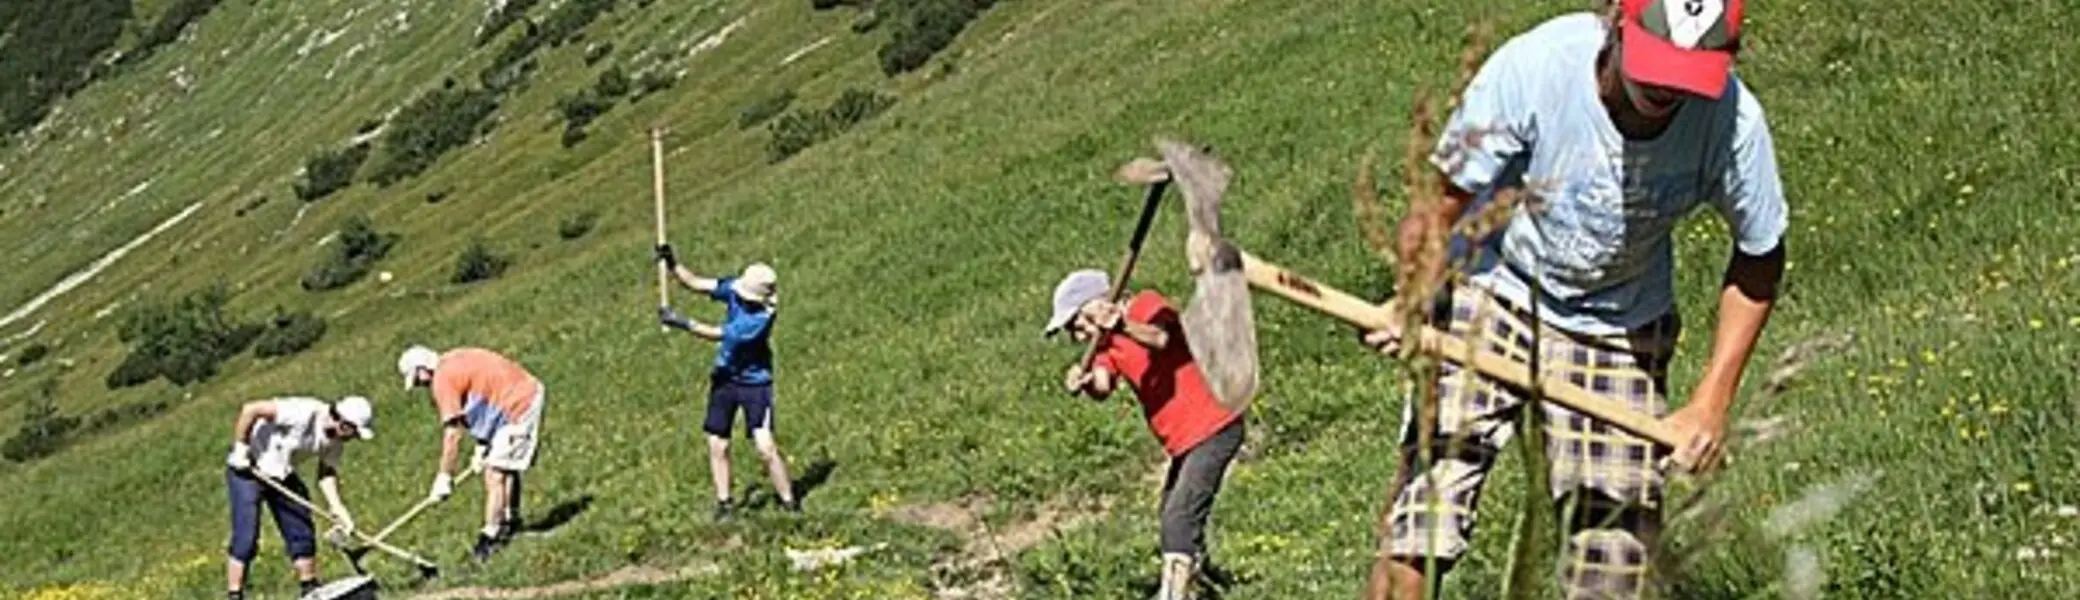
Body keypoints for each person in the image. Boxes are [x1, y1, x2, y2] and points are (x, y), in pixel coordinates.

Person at [1357, 0, 1787, 598]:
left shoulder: (1733, 123)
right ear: (1617, 21)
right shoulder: (1538, 66)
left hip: (1619, 329)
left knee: (1614, 567)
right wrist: (1411, 299)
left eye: (1686, 74)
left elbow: (1761, 255)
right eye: (1656, 64)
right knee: (1424, 522)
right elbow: (1442, 201)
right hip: (1493, 286)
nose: (1666, 88)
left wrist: (1710, 403)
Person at [1046, 269, 1246, 600]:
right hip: (1184, 441)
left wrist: (1122, 325)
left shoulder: (1146, 305)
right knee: (1171, 510)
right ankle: (1205, 582)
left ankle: (1174, 594)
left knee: (1179, 515)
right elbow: (1103, 385)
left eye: (1076, 324)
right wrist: (1085, 382)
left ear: (1096, 305)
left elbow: (1162, 338)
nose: (1077, 336)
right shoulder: (1106, 346)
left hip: (1214, 425)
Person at [654, 243, 800, 520]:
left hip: (755, 383)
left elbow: (717, 333)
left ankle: (789, 502)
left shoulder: (761, 318)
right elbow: (696, 283)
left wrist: (682, 323)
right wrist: (673, 264)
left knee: (765, 446)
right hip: (725, 377)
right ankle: (724, 503)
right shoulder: (735, 288)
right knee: (717, 443)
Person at [396, 344, 547, 561]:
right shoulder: (452, 360)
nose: (420, 385)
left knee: (495, 473)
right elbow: (484, 396)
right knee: (504, 466)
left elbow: (453, 433)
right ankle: (510, 521)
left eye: (417, 379)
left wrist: (444, 476)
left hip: (519, 403)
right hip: (520, 394)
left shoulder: (442, 380)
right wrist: (482, 444)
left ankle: (491, 536)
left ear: (423, 368)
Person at [223, 395, 376, 600]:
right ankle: (235, 594)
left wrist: (337, 507)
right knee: (246, 537)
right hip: (248, 469)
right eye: (353, 432)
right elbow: (251, 409)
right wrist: (241, 449)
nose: (353, 437)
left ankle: (309, 587)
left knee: (300, 526)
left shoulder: (335, 441)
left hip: (281, 473)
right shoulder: (303, 413)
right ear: (343, 423)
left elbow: (326, 472)